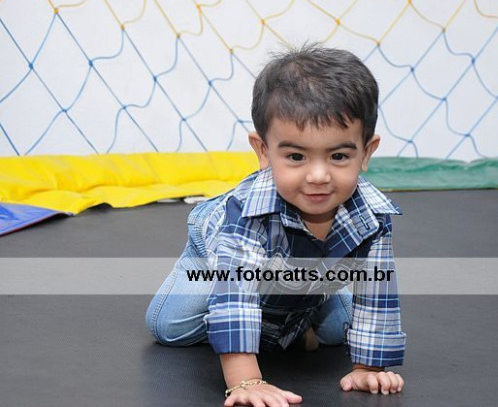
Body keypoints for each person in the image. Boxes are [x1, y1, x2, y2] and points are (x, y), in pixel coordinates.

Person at [145, 44, 406, 407]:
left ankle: (293, 313)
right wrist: (247, 381)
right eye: (296, 156)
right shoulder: (247, 212)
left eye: (338, 156)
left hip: (301, 274)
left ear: (366, 152)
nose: (318, 176)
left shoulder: (373, 216)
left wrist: (368, 368)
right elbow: (235, 296)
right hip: (220, 260)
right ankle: (273, 321)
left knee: (336, 331)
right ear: (264, 151)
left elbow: (377, 295)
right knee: (170, 327)